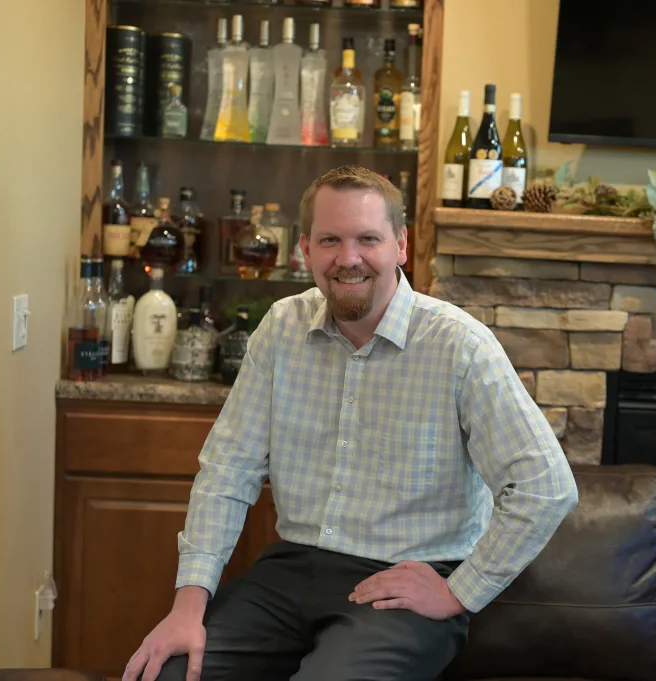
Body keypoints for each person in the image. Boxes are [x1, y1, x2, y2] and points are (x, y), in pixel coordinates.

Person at [122, 165, 579, 681]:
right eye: (330, 240)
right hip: (290, 571)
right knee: (165, 674)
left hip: (400, 584)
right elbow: (228, 471)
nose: (349, 258)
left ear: (401, 245)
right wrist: (187, 606)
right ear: (305, 251)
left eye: (368, 238)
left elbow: (547, 487)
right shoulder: (281, 330)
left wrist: (459, 591)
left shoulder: (460, 346)